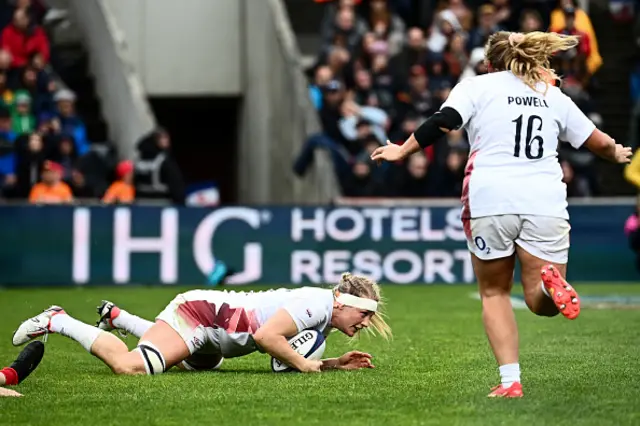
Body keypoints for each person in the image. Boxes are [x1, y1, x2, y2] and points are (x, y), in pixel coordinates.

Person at [371, 31, 632, 398]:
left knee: (494, 292)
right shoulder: (552, 96)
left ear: (489, 63)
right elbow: (598, 142)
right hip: (544, 200)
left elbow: (444, 121)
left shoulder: (476, 86)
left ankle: (511, 381)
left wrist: (402, 150)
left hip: (489, 198)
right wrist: (618, 154)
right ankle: (547, 286)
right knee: (539, 303)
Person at [12, 273, 391, 375]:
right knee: (131, 367)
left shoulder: (324, 314)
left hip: (214, 338)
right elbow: (265, 337)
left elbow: (286, 351)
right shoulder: (316, 303)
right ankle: (58, 320)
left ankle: (118, 318)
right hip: (201, 316)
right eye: (365, 314)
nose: (366, 322)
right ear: (344, 302)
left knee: (200, 362)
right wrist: (309, 364)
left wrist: (331, 363)